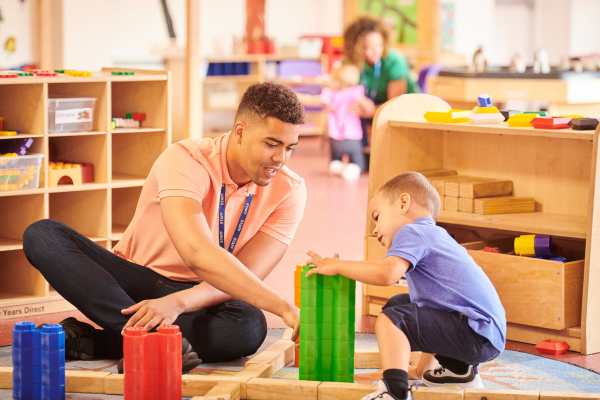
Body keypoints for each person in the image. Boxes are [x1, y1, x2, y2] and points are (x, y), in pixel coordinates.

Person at [23, 82, 306, 372]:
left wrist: (179, 302)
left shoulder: (290, 190)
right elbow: (196, 252)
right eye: (271, 144)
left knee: (247, 326)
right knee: (42, 234)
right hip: (134, 281)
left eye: (289, 148)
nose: (280, 159)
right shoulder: (186, 159)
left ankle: (105, 341)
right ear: (240, 132)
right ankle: (153, 339)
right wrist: (285, 308)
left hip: (201, 293)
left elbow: (247, 276)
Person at [305, 172, 506, 400]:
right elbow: (432, 316)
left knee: (392, 319)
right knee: (399, 304)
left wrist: (338, 265)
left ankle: (395, 391)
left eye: (377, 217)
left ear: (403, 203)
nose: (375, 229)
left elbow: (386, 274)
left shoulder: (413, 231)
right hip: (482, 334)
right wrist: (421, 371)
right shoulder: (433, 234)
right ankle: (459, 371)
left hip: (475, 333)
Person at [343, 16, 421, 168]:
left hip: (404, 108)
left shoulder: (394, 61)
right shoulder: (351, 63)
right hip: (371, 108)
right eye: (368, 48)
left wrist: (371, 111)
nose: (376, 51)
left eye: (379, 45)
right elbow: (345, 92)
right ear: (356, 48)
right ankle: (358, 155)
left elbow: (396, 105)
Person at [297, 64, 375, 180]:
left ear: (337, 82)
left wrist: (294, 95)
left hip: (335, 137)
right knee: (358, 161)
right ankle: (353, 168)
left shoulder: (331, 95)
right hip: (353, 136)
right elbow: (370, 108)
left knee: (335, 159)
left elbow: (312, 100)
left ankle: (336, 166)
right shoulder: (355, 93)